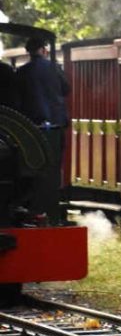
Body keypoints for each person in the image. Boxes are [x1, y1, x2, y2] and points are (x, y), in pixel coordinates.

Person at [16, 34, 70, 224]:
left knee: (30, 168)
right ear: (43, 49)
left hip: (30, 128)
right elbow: (66, 89)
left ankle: (31, 206)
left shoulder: (22, 72)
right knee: (54, 168)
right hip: (55, 125)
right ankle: (51, 209)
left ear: (28, 52)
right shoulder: (54, 68)